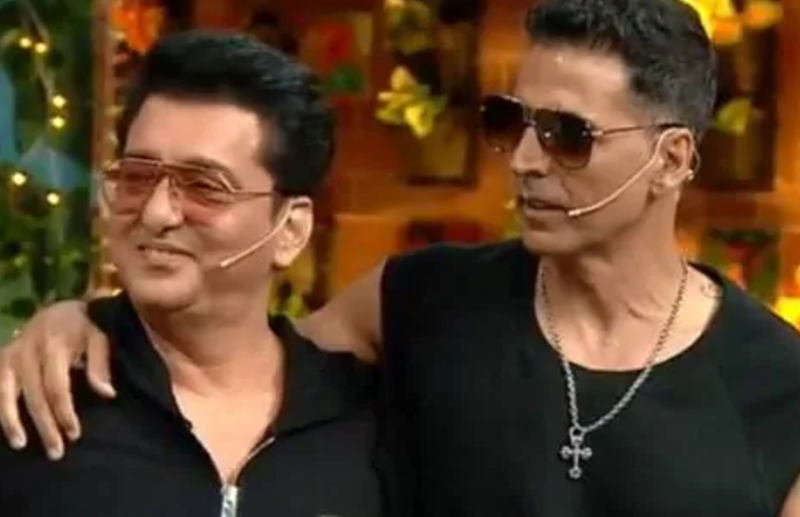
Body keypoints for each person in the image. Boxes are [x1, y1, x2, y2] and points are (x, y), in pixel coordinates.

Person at [2, 0, 800, 515]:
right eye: (509, 121)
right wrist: (78, 321)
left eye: (567, 135)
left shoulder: (776, 380)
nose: (524, 160)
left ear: (670, 159)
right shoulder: (421, 300)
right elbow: (231, 357)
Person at [0, 30, 387, 517]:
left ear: (290, 229)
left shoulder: (367, 421)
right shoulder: (34, 400)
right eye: (138, 177)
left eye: (205, 186)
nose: (157, 213)